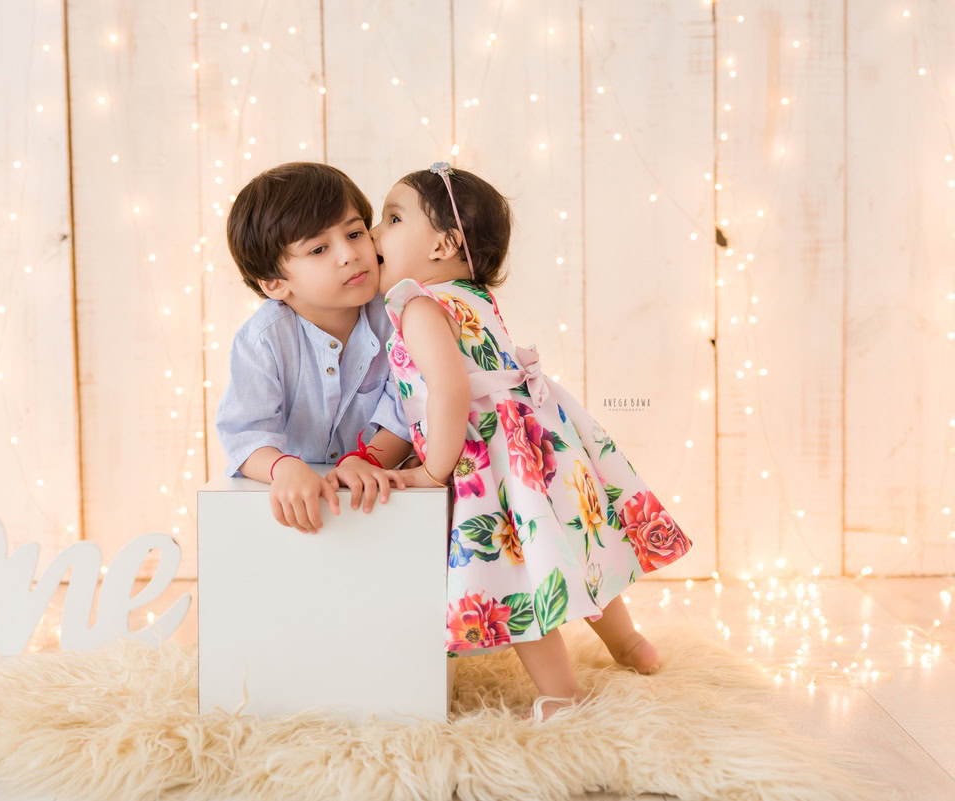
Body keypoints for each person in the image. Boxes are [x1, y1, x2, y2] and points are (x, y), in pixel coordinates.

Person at [373, 162, 693, 721]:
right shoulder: (474, 297)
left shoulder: (419, 306)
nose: (375, 235)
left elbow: (448, 393)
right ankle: (629, 644)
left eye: (392, 218)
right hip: (536, 448)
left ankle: (562, 693)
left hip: (488, 464)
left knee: (520, 577)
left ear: (444, 243)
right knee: (573, 547)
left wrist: (431, 471)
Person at [215, 162, 416, 535]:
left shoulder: (399, 316)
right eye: (319, 248)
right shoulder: (263, 340)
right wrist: (283, 468)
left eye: (355, 233)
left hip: (379, 504)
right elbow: (245, 434)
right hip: (298, 511)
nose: (349, 254)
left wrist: (366, 460)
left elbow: (409, 409)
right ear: (275, 284)